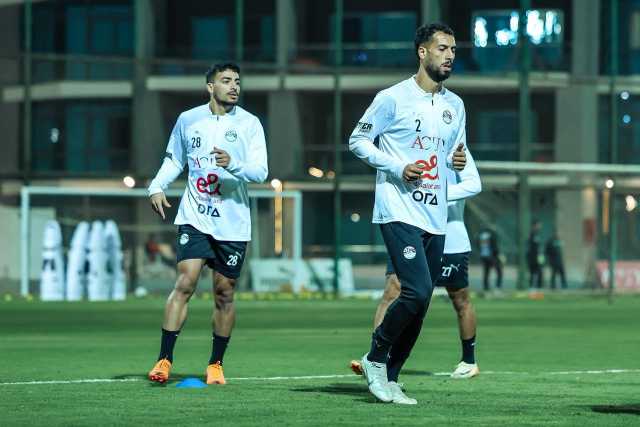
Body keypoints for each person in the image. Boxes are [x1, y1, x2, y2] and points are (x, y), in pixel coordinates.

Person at [348, 22, 468, 404]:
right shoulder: (392, 98)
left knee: (423, 302)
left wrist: (457, 162)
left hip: (435, 215)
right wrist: (398, 167)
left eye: (453, 50)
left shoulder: (455, 106)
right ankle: (375, 357)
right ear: (422, 51)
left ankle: (391, 377)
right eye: (442, 48)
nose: (449, 56)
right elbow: (357, 140)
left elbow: (453, 156)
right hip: (398, 209)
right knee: (414, 292)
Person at [146, 63, 268, 385]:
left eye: (237, 81)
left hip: (233, 222)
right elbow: (175, 159)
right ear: (210, 87)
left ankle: (215, 364)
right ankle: (164, 360)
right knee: (185, 282)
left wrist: (234, 164)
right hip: (195, 215)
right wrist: (156, 186)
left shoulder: (250, 124)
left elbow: (261, 171)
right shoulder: (189, 120)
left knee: (224, 293)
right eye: (226, 81)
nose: (234, 86)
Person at [350, 155, 482, 384]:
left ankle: (469, 360)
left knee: (460, 298)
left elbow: (474, 184)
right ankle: (376, 355)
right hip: (410, 231)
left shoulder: (456, 149)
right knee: (392, 290)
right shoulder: (409, 147)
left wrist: (438, 193)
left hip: (450, 238)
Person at [477, 227, 503, 292]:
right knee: (499, 271)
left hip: (484, 256)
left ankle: (486, 288)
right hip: (492, 256)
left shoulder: (481, 235)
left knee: (486, 272)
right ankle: (497, 288)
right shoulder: (491, 235)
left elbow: (478, 245)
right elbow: (494, 246)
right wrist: (498, 255)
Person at [526, 220, 544, 289]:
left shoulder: (538, 234)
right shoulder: (531, 234)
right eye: (538, 225)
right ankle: (532, 287)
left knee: (539, 272)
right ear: (534, 226)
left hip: (539, 257)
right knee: (533, 272)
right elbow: (530, 247)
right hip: (533, 257)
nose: (540, 226)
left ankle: (539, 287)